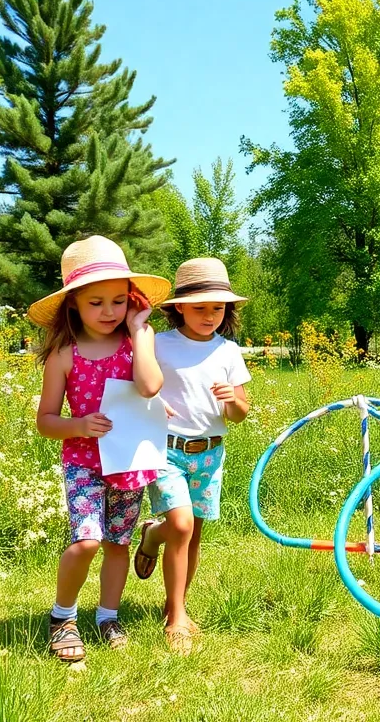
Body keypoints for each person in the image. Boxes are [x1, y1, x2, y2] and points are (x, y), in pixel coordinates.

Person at [30, 236, 172, 662]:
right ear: (72, 303)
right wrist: (79, 425)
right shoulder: (63, 354)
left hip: (129, 459)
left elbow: (150, 386)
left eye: (117, 300)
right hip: (84, 462)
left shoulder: (135, 343)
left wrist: (140, 331)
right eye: (95, 302)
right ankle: (63, 617)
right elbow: (45, 421)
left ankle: (108, 615)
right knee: (88, 540)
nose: (108, 312)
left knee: (117, 543)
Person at [133, 258, 251, 655]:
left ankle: (157, 548)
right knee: (181, 525)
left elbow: (239, 414)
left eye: (217, 308)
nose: (209, 316)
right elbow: (136, 384)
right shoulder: (159, 343)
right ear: (179, 306)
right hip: (166, 449)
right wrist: (149, 405)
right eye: (200, 307)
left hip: (210, 454)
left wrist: (231, 400)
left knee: (193, 532)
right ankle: (176, 617)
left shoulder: (229, 351)